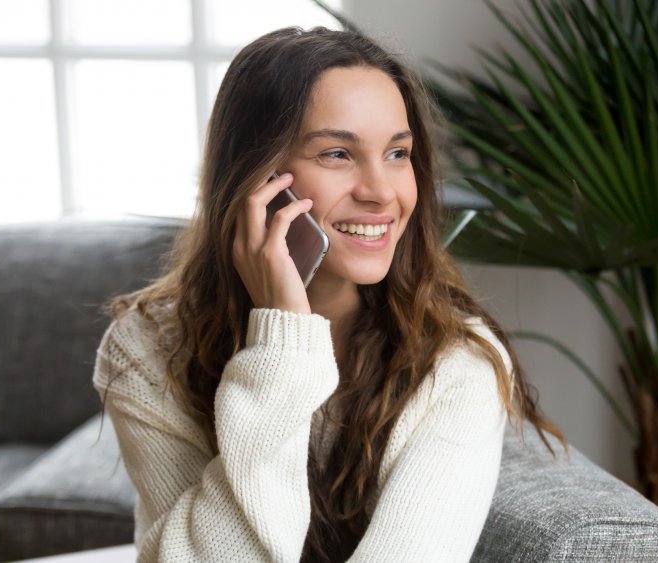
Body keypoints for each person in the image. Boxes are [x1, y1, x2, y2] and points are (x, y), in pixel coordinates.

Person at [92, 26, 565, 563]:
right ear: (257, 177)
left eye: (397, 153)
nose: (381, 192)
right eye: (338, 153)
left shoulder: (456, 365)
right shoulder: (146, 347)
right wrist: (283, 344)